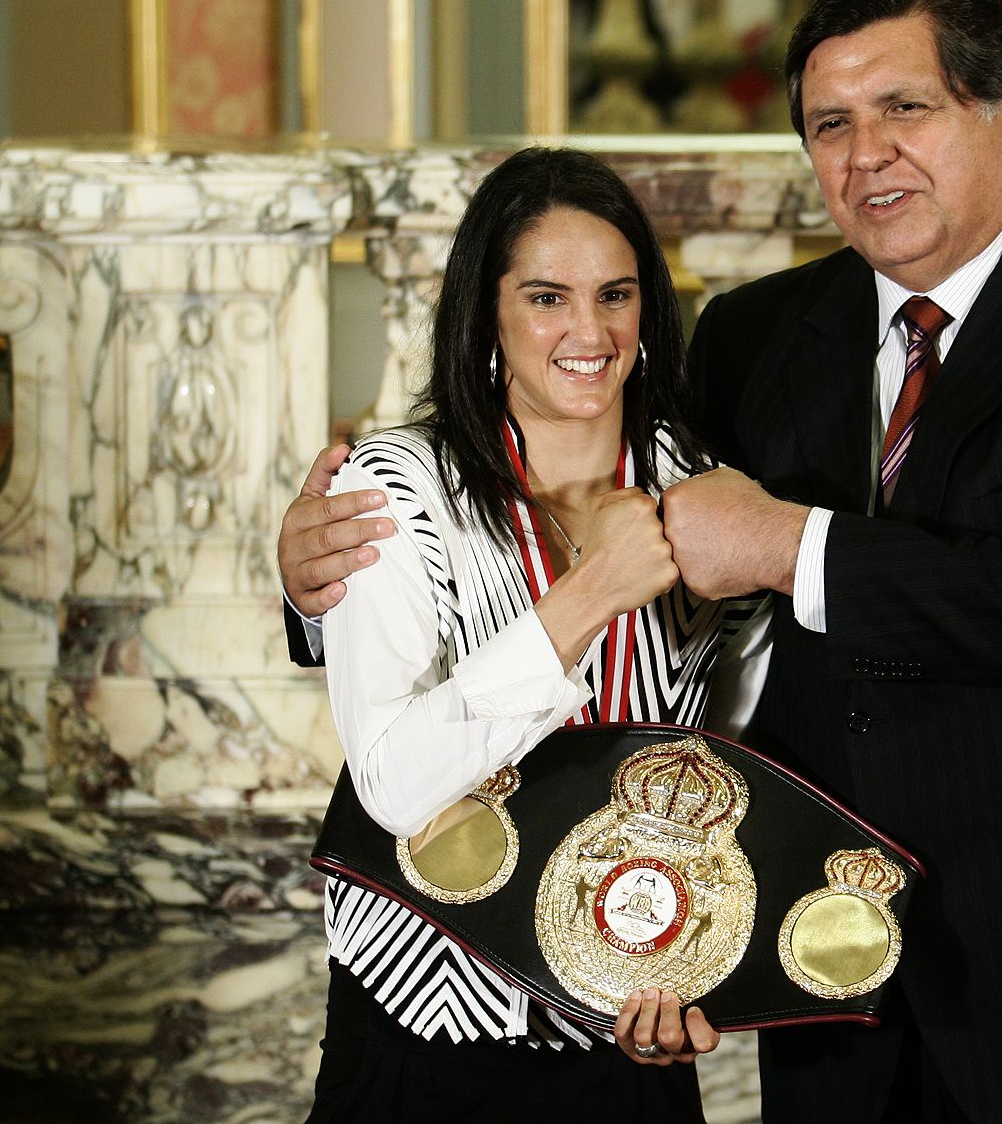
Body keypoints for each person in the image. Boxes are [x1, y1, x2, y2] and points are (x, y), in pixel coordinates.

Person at [285, 0, 1002, 1122]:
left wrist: (788, 544)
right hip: (828, 1001)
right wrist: (323, 588)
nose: (866, 155)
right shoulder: (755, 336)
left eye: (904, 107)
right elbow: (670, 635)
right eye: (830, 123)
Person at [296, 146, 734, 1122]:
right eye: (547, 297)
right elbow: (397, 780)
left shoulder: (697, 481)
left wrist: (712, 966)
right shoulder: (396, 488)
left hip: (628, 1025)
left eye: (616, 296)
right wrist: (583, 599)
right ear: (485, 313)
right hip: (430, 1030)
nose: (590, 330)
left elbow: (736, 761)